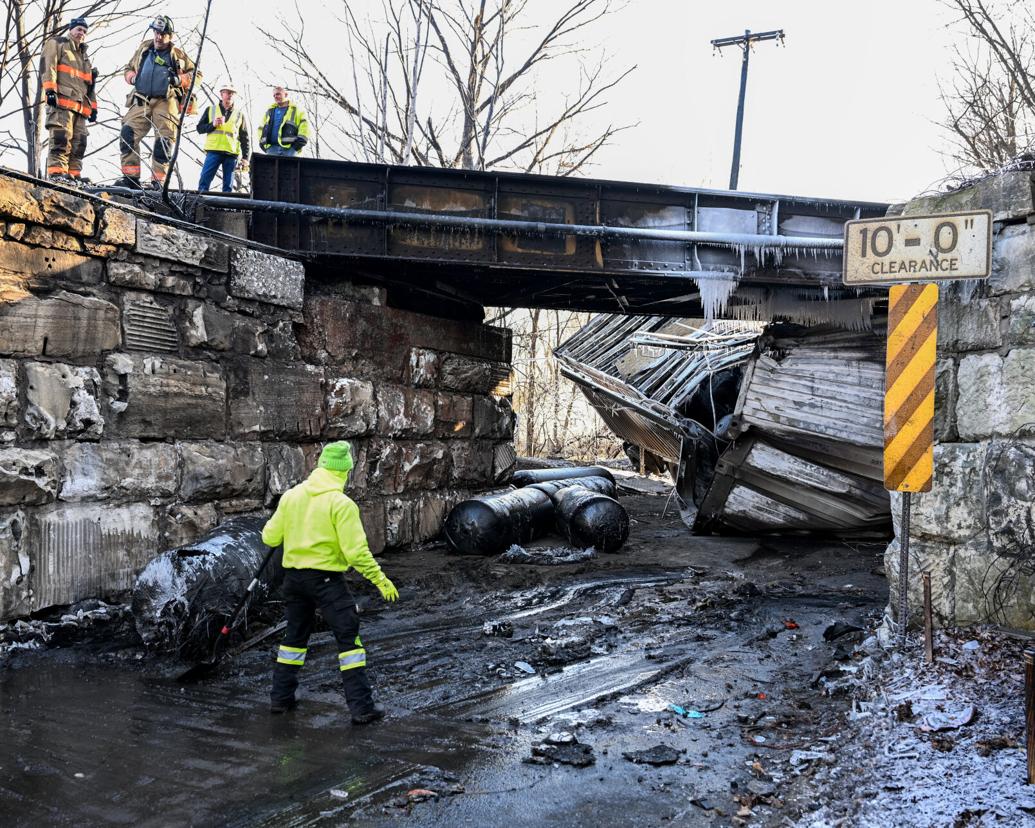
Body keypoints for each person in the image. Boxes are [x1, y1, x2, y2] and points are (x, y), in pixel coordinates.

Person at [261, 441, 398, 724]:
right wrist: (380, 580)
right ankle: (362, 709)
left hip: (294, 580)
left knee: (294, 639)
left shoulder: (292, 496)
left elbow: (269, 538)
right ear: (343, 472)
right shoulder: (341, 504)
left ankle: (280, 698)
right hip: (326, 581)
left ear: (319, 467)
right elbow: (356, 553)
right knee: (349, 641)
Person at [117, 15, 199, 188]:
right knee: (127, 134)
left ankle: (158, 181)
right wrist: (132, 78)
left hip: (166, 101)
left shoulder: (178, 55)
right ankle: (130, 179)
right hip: (141, 99)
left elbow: (196, 75)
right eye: (156, 32)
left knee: (164, 142)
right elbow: (129, 68)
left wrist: (179, 79)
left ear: (170, 35)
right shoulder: (144, 49)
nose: (158, 37)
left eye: (162, 33)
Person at [40, 17, 96, 184]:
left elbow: (90, 85)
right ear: (71, 29)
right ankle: (57, 174)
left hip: (80, 108)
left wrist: (93, 107)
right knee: (61, 139)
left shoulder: (84, 57)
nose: (82, 33)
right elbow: (47, 65)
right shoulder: (57, 44)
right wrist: (50, 90)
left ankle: (74, 175)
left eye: (85, 31)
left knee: (79, 143)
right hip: (61, 102)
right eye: (79, 29)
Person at [196, 81, 249, 192]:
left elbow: (244, 138)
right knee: (204, 181)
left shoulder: (239, 114)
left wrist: (245, 158)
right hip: (214, 151)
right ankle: (200, 205)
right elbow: (200, 128)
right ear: (221, 94)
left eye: (232, 93)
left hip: (231, 154)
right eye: (227, 92)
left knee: (228, 187)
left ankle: (226, 207)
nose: (229, 95)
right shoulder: (211, 110)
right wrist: (213, 125)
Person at [258, 85, 310, 156]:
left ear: (285, 94)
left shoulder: (297, 110)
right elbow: (261, 128)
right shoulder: (269, 111)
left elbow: (305, 128)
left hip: (290, 150)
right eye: (274, 95)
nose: (275, 96)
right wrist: (263, 145)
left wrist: (296, 146)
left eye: (278, 94)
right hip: (271, 149)